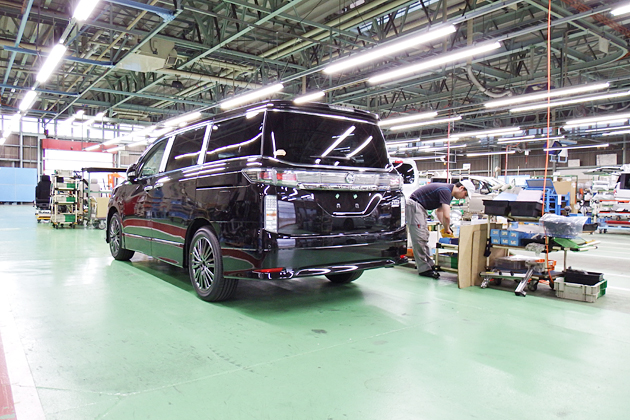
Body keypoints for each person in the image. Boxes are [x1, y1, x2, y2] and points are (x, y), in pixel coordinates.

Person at [407, 180, 474, 278]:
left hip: (420, 207)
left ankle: (429, 265)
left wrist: (446, 227)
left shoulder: (448, 193)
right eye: (465, 194)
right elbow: (446, 216)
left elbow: (439, 212)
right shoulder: (446, 191)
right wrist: (447, 228)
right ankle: (424, 269)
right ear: (461, 188)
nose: (464, 197)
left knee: (424, 236)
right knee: (419, 238)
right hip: (415, 206)